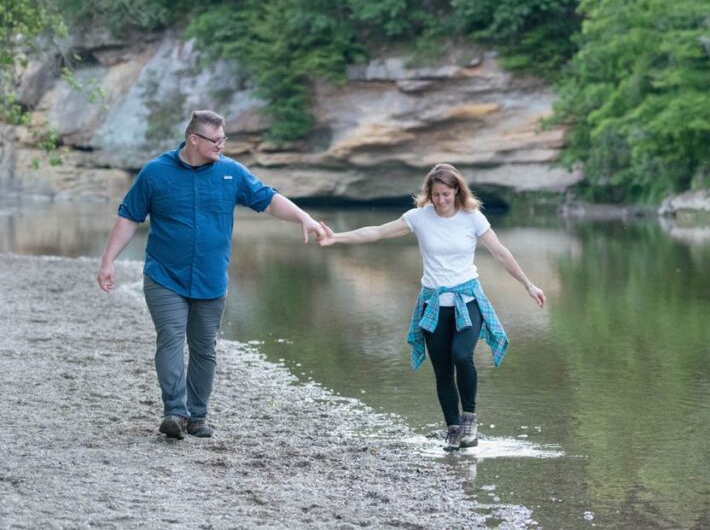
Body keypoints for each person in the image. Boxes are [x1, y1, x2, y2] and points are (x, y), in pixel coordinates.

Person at [96, 110, 324, 440]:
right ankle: (174, 411)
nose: (221, 145)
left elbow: (268, 199)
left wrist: (305, 218)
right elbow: (129, 217)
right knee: (171, 339)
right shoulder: (155, 172)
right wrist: (108, 261)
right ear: (193, 140)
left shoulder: (231, 173)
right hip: (164, 276)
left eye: (223, 139)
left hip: (211, 278)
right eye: (215, 140)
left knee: (204, 349)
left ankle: (198, 416)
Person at [317, 163, 546, 451]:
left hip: (468, 299)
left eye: (447, 194)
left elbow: (500, 253)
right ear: (429, 193)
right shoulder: (419, 217)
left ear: (457, 191)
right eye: (436, 194)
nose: (441, 200)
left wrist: (529, 285)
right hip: (433, 304)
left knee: (462, 355)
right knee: (442, 370)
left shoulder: (472, 218)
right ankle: (452, 429)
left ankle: (469, 421)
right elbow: (377, 232)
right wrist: (337, 237)